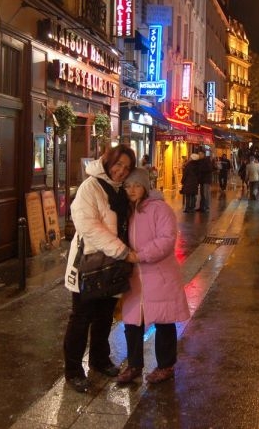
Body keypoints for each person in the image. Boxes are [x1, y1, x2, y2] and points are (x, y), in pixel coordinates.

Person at [63, 144, 139, 393]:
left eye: (127, 168)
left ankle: (99, 359)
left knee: (104, 316)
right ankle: (73, 370)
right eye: (118, 165)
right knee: (81, 318)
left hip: (113, 266)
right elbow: (90, 228)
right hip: (90, 264)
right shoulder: (90, 187)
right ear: (108, 161)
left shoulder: (121, 191)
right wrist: (123, 252)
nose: (121, 172)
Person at [116, 168, 190, 384]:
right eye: (127, 186)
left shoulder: (159, 209)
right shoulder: (125, 211)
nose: (131, 190)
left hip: (159, 275)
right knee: (131, 323)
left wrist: (139, 256)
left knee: (164, 322)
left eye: (136, 185)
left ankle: (166, 365)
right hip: (135, 278)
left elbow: (167, 240)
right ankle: (134, 365)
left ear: (145, 187)